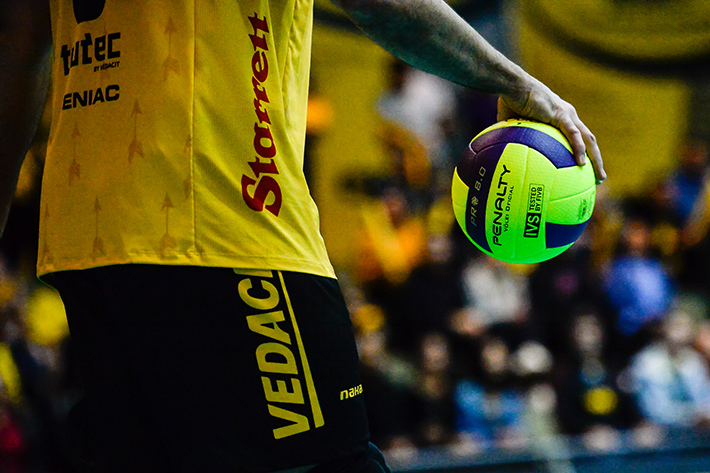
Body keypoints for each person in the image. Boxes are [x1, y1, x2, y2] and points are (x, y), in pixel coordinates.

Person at [0, 1, 606, 472]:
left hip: (88, 239)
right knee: (332, 470)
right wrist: (518, 81)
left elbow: (20, 46)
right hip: (221, 220)